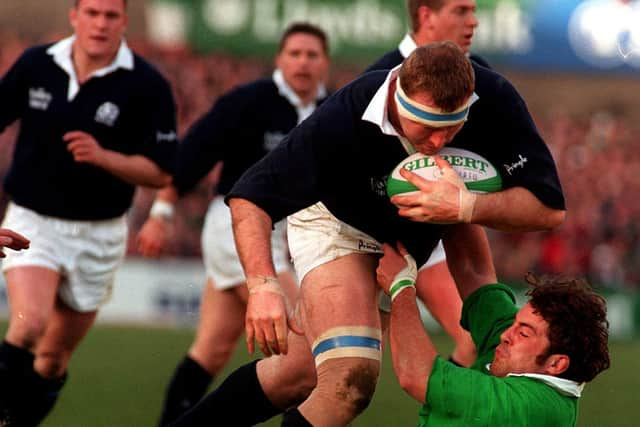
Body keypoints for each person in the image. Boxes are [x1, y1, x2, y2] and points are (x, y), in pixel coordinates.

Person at [169, 41, 565, 427]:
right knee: (349, 380)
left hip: (402, 245)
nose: (439, 143)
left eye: (452, 127)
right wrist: (262, 285)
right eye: (427, 127)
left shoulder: (494, 98)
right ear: (397, 100)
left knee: (298, 372)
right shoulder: (346, 115)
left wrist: (466, 206)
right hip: (337, 224)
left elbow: (548, 207)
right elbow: (250, 198)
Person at [136, 22, 330, 426]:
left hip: (292, 236)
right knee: (309, 355)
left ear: (324, 63)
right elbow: (195, 151)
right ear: (279, 59)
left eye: (312, 55)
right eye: (294, 53)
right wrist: (160, 213)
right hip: (238, 230)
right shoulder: (250, 101)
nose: (303, 62)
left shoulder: (333, 111)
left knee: (211, 349)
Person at [0, 0, 177, 425]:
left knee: (53, 358)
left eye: (110, 15)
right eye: (92, 12)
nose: (100, 23)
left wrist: (105, 158)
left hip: (100, 233)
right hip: (32, 221)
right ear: (74, 16)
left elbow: (160, 171)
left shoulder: (147, 84)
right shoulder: (36, 64)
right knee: (27, 326)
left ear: (124, 21)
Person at [376, 242, 610, 426]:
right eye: (516, 323)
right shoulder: (521, 358)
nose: (506, 334)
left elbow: (416, 375)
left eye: (524, 334)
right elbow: (474, 272)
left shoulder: (528, 409)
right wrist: (458, 202)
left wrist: (400, 287)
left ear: (556, 364)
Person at [368, 0, 485, 369]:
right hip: (377, 238)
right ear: (426, 16)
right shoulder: (379, 78)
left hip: (436, 236)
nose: (474, 22)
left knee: (475, 337)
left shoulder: (480, 80)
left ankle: (440, 413)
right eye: (462, 11)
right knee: (354, 369)